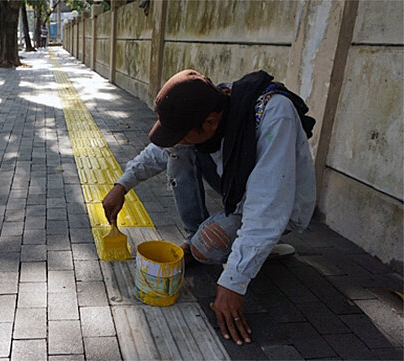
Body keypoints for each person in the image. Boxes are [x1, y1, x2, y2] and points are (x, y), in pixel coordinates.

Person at [102, 69, 316, 345]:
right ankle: (200, 238)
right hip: (245, 192)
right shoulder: (216, 102)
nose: (177, 138)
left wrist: (233, 283)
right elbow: (162, 149)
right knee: (178, 151)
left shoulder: (273, 117)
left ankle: (227, 246)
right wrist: (122, 185)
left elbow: (267, 207)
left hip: (282, 205)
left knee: (209, 245)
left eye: (183, 133)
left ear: (211, 122)